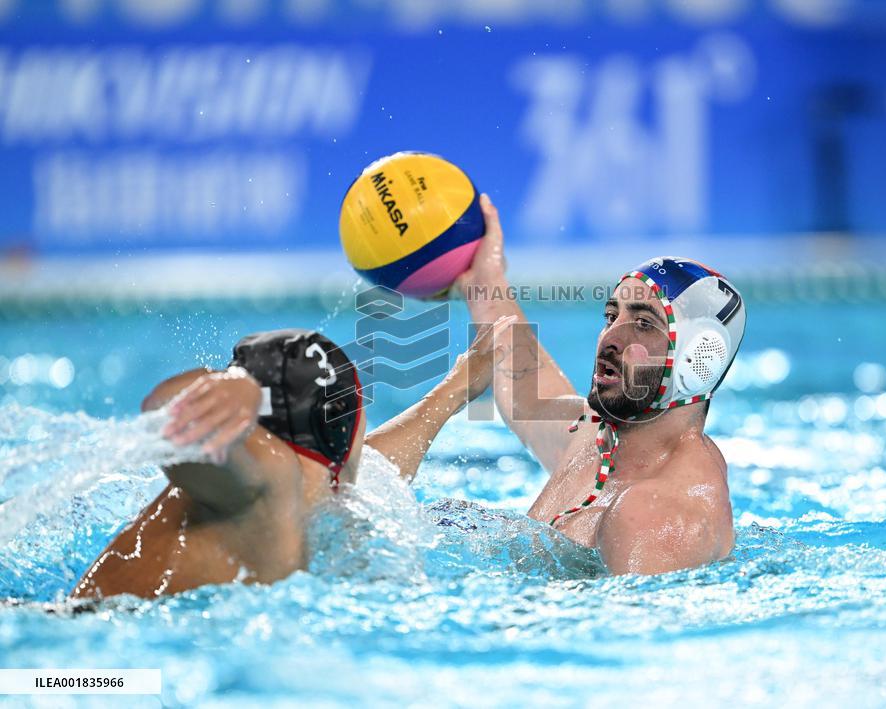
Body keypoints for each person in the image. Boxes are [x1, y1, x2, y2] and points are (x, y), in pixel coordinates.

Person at [71, 320, 513, 600]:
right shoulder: (268, 480)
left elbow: (381, 466)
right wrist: (220, 386)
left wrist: (454, 391)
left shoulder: (313, 487)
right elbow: (163, 413)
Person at [455, 194, 746, 575]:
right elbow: (528, 388)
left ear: (697, 358)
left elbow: (622, 632)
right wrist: (483, 280)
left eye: (643, 323)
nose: (610, 337)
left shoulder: (655, 516)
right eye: (611, 315)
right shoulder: (602, 441)